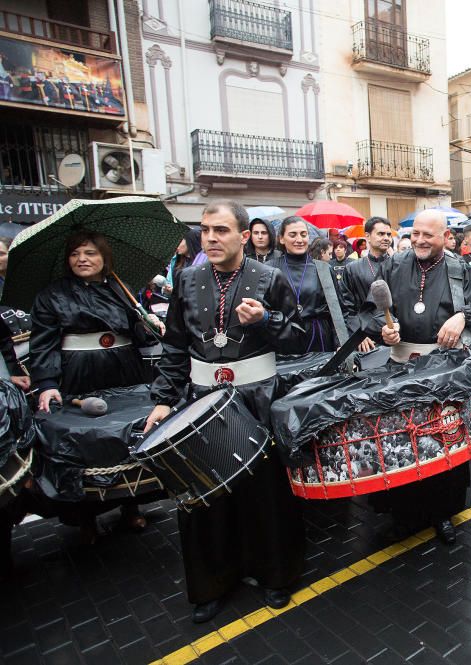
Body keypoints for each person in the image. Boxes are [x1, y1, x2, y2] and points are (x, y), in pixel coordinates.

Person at [145, 200, 307, 624]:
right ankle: (213, 583)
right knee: (203, 494)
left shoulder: (269, 278)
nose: (211, 238)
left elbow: (297, 338)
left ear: (243, 234)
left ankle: (274, 575)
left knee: (265, 494)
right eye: (205, 230)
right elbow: (176, 344)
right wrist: (164, 398)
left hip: (256, 397)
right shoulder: (186, 278)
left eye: (221, 230)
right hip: (201, 397)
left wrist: (266, 319)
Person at [361, 210, 471, 544]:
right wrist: (382, 329)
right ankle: (404, 515)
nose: (420, 240)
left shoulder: (460, 269)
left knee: (442, 441)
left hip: (444, 370)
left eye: (428, 236)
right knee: (401, 441)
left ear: (445, 236)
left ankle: (442, 514)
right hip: (400, 366)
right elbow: (371, 310)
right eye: (415, 233)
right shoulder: (393, 265)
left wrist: (462, 316)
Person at [31, 231, 166, 535]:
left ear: (105, 258)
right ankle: (86, 517)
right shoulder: (52, 295)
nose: (82, 259)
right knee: (85, 440)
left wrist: (149, 325)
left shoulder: (122, 289)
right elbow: (43, 344)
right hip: (78, 372)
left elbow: (137, 333)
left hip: (123, 368)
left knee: (127, 435)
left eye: (90, 253)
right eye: (76, 254)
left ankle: (131, 507)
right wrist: (47, 382)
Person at [268, 216, 345, 352]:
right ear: (281, 238)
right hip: (283, 335)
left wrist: (340, 343)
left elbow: (336, 310)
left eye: (303, 235)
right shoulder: (269, 269)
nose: (299, 240)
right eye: (293, 235)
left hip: (318, 337)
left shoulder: (323, 269)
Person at [343, 216, 395, 351]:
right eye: (381, 234)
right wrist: (358, 335)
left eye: (389, 234)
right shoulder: (352, 268)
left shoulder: (399, 265)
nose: (386, 238)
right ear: (367, 236)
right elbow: (347, 307)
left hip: (395, 335)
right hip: (366, 339)